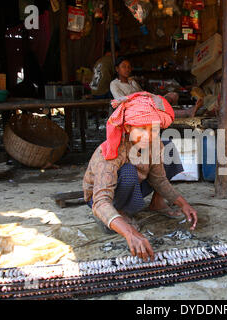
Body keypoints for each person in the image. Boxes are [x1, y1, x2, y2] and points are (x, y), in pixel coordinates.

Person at [83, 92, 198, 261]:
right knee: (128, 171)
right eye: (142, 129)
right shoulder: (111, 151)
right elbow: (101, 200)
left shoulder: (154, 143)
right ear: (128, 127)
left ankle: (156, 204)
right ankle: (119, 213)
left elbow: (159, 179)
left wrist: (183, 204)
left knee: (168, 147)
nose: (148, 136)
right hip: (102, 197)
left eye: (153, 129)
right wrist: (129, 233)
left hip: (134, 184)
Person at [110, 56, 203, 118]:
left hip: (146, 103)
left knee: (173, 95)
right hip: (133, 109)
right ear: (117, 69)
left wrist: (153, 97)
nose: (127, 69)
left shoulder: (132, 81)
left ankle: (184, 111)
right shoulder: (114, 84)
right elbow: (120, 101)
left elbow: (142, 93)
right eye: (123, 67)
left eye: (129, 67)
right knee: (158, 108)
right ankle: (186, 112)